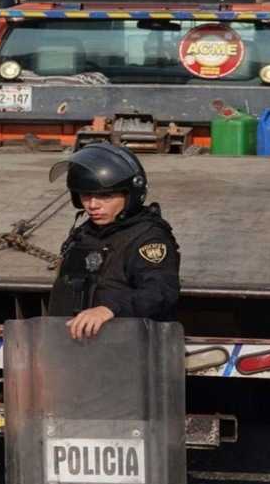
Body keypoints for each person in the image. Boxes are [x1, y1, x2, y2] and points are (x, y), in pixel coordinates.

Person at [46, 143, 181, 341]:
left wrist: (110, 309)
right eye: (86, 196)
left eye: (105, 196)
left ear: (130, 195)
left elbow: (161, 290)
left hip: (126, 349)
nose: (93, 205)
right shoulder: (85, 233)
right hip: (73, 348)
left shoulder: (147, 238)